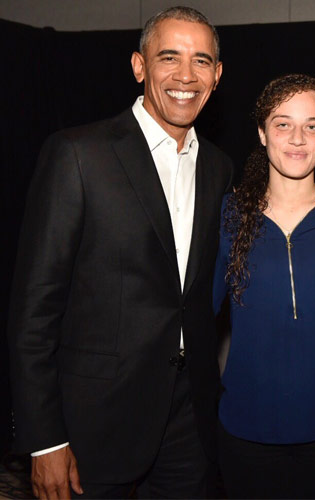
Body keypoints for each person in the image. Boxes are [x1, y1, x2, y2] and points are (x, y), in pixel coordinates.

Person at [8, 6, 232, 499]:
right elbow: (33, 313)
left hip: (188, 423)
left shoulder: (218, 167)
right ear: (139, 66)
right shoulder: (78, 154)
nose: (185, 76)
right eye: (168, 57)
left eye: (201, 61)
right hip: (93, 425)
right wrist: (44, 441)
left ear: (217, 75)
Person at [213, 74, 315, 499]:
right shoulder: (228, 215)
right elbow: (195, 314)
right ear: (262, 133)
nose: (297, 138)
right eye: (282, 124)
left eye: (312, 126)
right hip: (247, 434)